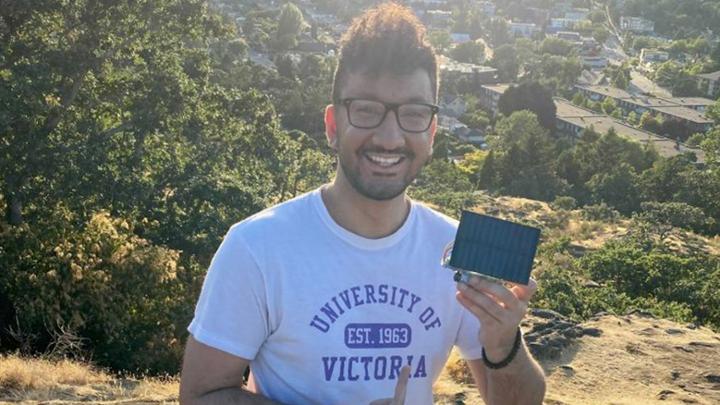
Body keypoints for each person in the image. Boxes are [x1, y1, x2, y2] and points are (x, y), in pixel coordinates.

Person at [179, 3, 546, 404]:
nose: (390, 137)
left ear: (433, 131)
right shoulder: (257, 247)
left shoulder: (458, 252)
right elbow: (201, 395)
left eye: (413, 113)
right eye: (367, 110)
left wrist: (503, 343)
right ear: (333, 125)